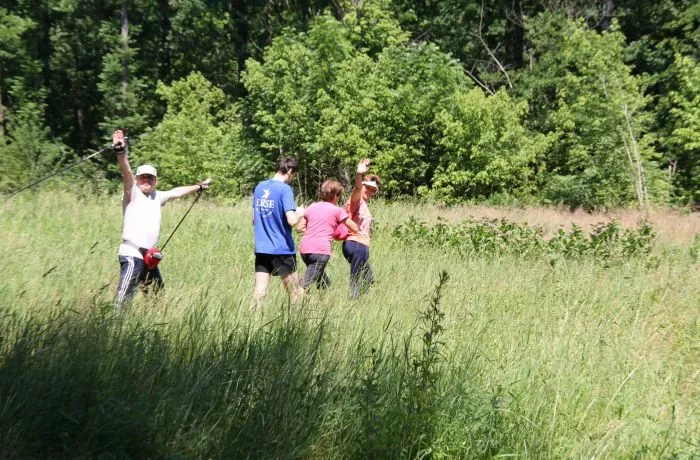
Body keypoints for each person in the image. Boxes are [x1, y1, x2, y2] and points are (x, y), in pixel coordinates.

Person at [113, 129, 211, 308]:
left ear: (155, 181)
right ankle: (114, 321)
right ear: (137, 179)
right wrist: (120, 151)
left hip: (149, 257)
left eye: (150, 178)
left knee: (158, 297)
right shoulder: (132, 192)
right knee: (124, 296)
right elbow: (126, 170)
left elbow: (177, 192)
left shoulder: (157, 196)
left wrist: (199, 187)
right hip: (132, 253)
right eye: (143, 178)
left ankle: (151, 320)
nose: (147, 181)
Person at [252, 157, 305, 309]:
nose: (292, 178)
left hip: (262, 248)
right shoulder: (285, 189)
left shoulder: (260, 187)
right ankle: (297, 321)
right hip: (282, 249)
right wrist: (300, 212)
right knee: (295, 293)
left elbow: (254, 219)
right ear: (289, 171)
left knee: (259, 292)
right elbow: (292, 220)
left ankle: (252, 319)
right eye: (293, 174)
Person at [297, 180, 359, 291]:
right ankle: (296, 296)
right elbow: (354, 228)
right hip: (320, 251)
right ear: (335, 196)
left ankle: (323, 299)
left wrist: (315, 229)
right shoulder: (338, 210)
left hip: (304, 250)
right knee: (303, 285)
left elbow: (299, 228)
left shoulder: (311, 206)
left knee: (324, 283)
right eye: (339, 196)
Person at [343, 159, 380, 299]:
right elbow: (357, 187)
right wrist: (359, 173)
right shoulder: (356, 200)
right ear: (363, 185)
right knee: (355, 282)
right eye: (368, 188)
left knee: (369, 278)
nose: (370, 191)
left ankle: (359, 302)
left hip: (362, 246)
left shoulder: (364, 204)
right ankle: (353, 302)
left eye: (373, 190)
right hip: (355, 244)